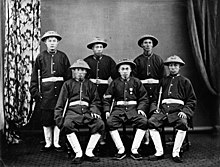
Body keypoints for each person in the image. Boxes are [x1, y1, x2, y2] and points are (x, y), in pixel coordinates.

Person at [147, 55, 197, 163]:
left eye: (175, 65)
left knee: (183, 123)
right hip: (163, 110)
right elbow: (155, 99)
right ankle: (159, 151)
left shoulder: (185, 81)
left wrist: (185, 111)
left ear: (179, 67)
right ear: (168, 67)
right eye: (170, 65)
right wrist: (155, 109)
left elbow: (191, 100)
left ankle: (176, 152)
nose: (173, 67)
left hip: (178, 111)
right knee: (151, 122)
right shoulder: (163, 81)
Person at [54, 59, 105, 164]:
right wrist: (59, 118)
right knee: (67, 124)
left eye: (82, 70)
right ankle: (78, 153)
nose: (80, 72)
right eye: (77, 70)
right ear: (73, 71)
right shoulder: (67, 84)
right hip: (72, 112)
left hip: (87, 112)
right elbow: (61, 103)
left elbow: (95, 101)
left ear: (86, 72)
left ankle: (89, 151)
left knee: (99, 123)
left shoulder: (91, 85)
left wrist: (94, 110)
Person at [30, 31, 71, 152]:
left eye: (54, 41)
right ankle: (48, 143)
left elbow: (68, 77)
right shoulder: (40, 57)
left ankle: (56, 143)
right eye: (49, 41)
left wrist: (67, 92)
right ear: (45, 42)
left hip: (60, 93)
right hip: (46, 94)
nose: (52, 43)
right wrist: (36, 92)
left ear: (57, 42)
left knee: (58, 116)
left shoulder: (63, 56)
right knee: (46, 118)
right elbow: (34, 77)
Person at [103, 59, 149, 160]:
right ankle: (121, 149)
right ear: (119, 71)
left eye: (127, 69)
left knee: (143, 121)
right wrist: (107, 110)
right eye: (122, 69)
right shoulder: (115, 83)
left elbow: (144, 98)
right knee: (110, 122)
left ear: (131, 70)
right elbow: (107, 98)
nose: (125, 71)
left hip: (133, 109)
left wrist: (141, 108)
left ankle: (134, 150)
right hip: (118, 109)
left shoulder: (136, 82)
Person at [84, 37, 119, 145]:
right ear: (92, 49)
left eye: (100, 47)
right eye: (96, 47)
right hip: (90, 90)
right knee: (93, 112)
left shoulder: (108, 60)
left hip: (104, 90)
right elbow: (83, 77)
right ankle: (93, 137)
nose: (99, 49)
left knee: (105, 112)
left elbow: (116, 77)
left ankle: (104, 138)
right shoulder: (87, 61)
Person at [133, 34, 166, 144]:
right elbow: (134, 80)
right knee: (143, 113)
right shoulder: (137, 61)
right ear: (142, 45)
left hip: (156, 90)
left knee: (155, 112)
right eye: (145, 43)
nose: (147, 45)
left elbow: (163, 78)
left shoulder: (158, 60)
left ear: (152, 45)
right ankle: (144, 140)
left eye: (149, 43)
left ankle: (154, 140)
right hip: (142, 91)